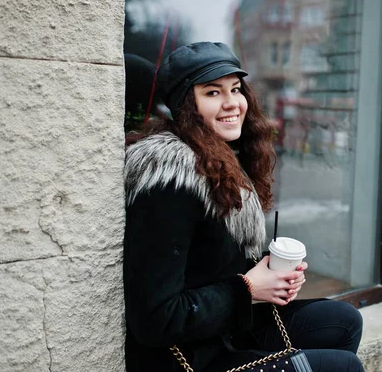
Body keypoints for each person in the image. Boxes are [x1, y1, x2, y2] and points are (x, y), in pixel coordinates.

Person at [123, 42, 365, 372]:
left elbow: (210, 261)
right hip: (192, 357)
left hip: (227, 330)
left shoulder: (220, 161)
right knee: (342, 367)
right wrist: (250, 288)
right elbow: (155, 320)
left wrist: (272, 276)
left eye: (235, 89)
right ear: (185, 106)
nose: (232, 104)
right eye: (212, 93)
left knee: (343, 321)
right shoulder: (170, 183)